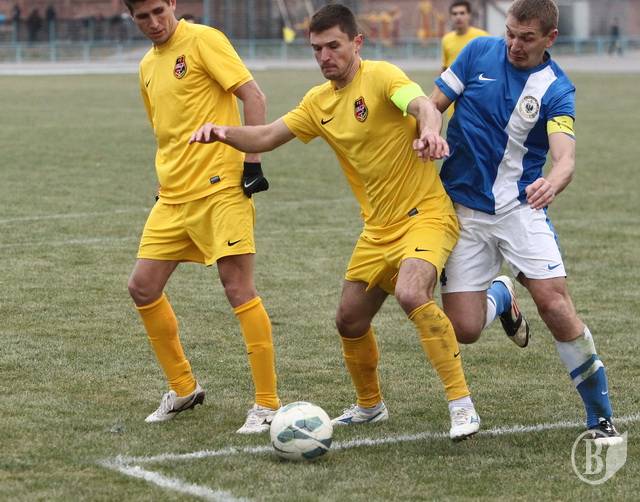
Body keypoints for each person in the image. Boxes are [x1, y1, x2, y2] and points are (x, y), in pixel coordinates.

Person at [191, 3, 481, 441]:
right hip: (378, 230)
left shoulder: (382, 77)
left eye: (333, 46)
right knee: (349, 319)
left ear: (356, 42)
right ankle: (370, 407)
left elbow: (423, 104)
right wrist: (223, 132)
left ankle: (461, 405)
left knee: (410, 292)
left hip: (426, 215)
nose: (325, 56)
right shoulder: (318, 102)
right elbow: (267, 135)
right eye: (317, 49)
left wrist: (429, 130)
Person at [430, 0, 621, 444]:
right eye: (511, 34)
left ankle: (600, 416)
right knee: (464, 329)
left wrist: (552, 181)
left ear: (550, 38)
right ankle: (501, 295)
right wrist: (428, 128)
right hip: (463, 210)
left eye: (527, 38)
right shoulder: (477, 52)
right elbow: (434, 104)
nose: (515, 45)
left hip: (520, 208)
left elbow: (565, 157)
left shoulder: (556, 89)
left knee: (555, 305)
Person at [124, 0, 278, 434]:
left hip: (220, 188)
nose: (154, 22)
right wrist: (165, 181)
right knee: (142, 287)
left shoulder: (204, 39)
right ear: (131, 17)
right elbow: (167, 131)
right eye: (143, 16)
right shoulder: (147, 66)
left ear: (173, 3)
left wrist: (252, 163)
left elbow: (254, 96)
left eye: (159, 10)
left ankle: (267, 404)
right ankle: (183, 388)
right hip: (172, 196)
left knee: (237, 288)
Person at [441, 1, 488, 74]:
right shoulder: (446, 39)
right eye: (455, 14)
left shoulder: (483, 36)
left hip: (475, 79)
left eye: (462, 13)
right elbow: (445, 67)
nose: (458, 17)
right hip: (453, 80)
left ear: (469, 15)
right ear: (450, 17)